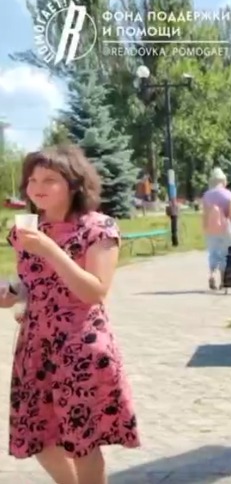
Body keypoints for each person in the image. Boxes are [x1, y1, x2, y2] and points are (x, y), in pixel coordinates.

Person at [2, 145, 139, 484]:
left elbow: (94, 291)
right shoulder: (28, 231)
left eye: (50, 179)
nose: (37, 187)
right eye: (32, 179)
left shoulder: (98, 229)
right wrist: (14, 292)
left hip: (80, 347)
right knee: (37, 437)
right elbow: (34, 282)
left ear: (74, 184)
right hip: (36, 347)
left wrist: (49, 249)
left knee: (82, 443)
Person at [202, 167, 231, 290]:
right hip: (226, 228)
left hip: (211, 229)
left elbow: (205, 213)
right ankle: (223, 281)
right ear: (223, 181)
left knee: (213, 253)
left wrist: (205, 228)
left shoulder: (206, 195)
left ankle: (212, 275)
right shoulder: (229, 194)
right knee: (225, 254)